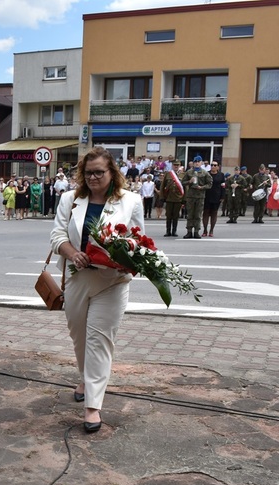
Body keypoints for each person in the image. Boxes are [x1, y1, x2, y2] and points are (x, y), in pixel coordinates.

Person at [49, 147, 144, 433]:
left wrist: (125, 250)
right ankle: (85, 377)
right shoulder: (70, 199)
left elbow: (139, 240)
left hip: (112, 282)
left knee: (99, 341)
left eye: (99, 172)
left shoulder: (131, 201)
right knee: (79, 336)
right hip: (78, 278)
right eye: (88, 172)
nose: (93, 177)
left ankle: (93, 407)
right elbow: (57, 236)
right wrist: (72, 252)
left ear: (112, 173)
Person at [183, 156, 211, 239]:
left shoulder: (205, 173)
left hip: (200, 196)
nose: (197, 163)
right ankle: (189, 231)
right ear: (193, 163)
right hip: (191, 196)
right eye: (195, 162)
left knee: (198, 215)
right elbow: (183, 182)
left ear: (201, 163)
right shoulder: (189, 172)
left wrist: (202, 187)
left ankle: (196, 231)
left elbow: (210, 184)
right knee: (190, 214)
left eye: (199, 162)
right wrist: (189, 181)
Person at [161, 161, 184, 237]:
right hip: (169, 198)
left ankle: (174, 231)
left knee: (176, 216)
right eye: (174, 165)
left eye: (177, 165)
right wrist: (162, 197)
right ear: (172, 166)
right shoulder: (168, 174)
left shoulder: (182, 175)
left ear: (180, 165)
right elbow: (162, 186)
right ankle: (168, 231)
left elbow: (185, 187)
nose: (176, 166)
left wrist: (184, 199)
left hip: (178, 199)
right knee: (168, 216)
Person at [202, 161, 224, 237]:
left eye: (215, 165)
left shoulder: (221, 175)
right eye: (212, 165)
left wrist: (222, 196)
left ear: (218, 166)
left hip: (216, 196)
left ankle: (211, 230)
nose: (213, 166)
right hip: (207, 196)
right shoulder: (206, 174)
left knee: (214, 213)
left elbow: (223, 186)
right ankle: (205, 230)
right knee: (206, 213)